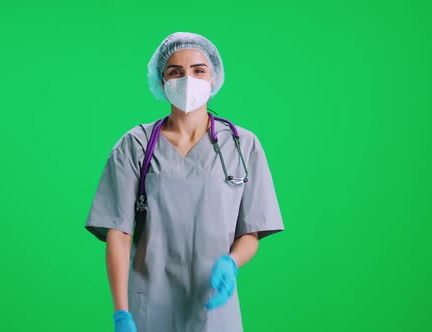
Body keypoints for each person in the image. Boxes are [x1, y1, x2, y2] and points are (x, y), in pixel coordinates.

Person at [85, 31, 285, 332]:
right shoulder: (135, 145)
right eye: (175, 72)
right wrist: (121, 312)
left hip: (213, 306)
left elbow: (251, 231)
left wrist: (231, 264)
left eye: (198, 70)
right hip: (149, 306)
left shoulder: (243, 145)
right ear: (161, 80)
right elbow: (119, 232)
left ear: (213, 78)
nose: (187, 79)